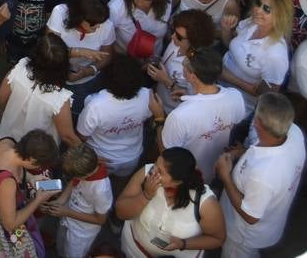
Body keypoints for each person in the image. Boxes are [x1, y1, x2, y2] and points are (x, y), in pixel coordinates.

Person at [216, 91, 305, 258]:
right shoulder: (294, 133)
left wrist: (225, 175)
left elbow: (250, 216)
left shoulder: (263, 175)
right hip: (270, 224)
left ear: (258, 123)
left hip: (243, 238)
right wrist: (242, 152)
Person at [116, 147, 226, 257]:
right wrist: (145, 196)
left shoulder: (205, 203)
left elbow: (217, 239)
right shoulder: (147, 174)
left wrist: (183, 244)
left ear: (177, 181)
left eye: (160, 171)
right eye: (155, 164)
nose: (153, 170)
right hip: (134, 250)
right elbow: (121, 212)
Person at [159, 46, 247, 180]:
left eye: (185, 66)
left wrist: (158, 118)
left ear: (192, 76)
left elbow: (167, 155)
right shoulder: (236, 97)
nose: (183, 67)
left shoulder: (179, 117)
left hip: (189, 177)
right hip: (217, 170)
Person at [77, 55, 160, 179]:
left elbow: (82, 135)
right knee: (121, 183)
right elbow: (150, 116)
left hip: (101, 157)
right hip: (132, 156)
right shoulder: (147, 95)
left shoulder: (95, 104)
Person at [0, 32, 80, 145]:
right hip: (38, 152)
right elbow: (67, 136)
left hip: (7, 138)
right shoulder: (59, 99)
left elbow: (1, 95)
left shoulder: (19, 69)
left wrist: (3, 114)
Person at [221, 0, 292, 113]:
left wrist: (227, 76)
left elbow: (267, 95)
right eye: (259, 4)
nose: (258, 10)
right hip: (218, 82)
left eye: (267, 9)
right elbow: (230, 46)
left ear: (280, 17)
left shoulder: (276, 55)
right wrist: (226, 30)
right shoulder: (251, 22)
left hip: (239, 104)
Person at [40, 143, 113, 258]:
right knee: (61, 248)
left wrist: (67, 212)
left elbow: (100, 220)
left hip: (80, 234)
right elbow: (74, 182)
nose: (73, 179)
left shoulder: (101, 190)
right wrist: (61, 200)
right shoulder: (88, 167)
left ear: (84, 175)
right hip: (67, 219)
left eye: (76, 177)